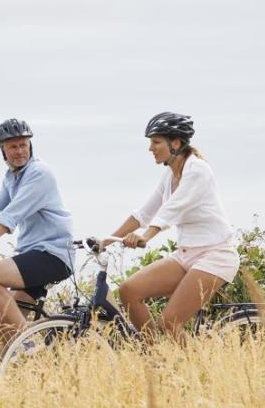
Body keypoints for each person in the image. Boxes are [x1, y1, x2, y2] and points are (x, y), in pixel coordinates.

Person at [100, 112, 239, 339]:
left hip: (215, 256)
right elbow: (144, 212)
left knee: (170, 321)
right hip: (186, 255)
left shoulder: (198, 170)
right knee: (128, 291)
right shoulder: (170, 173)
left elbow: (172, 208)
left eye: (156, 142)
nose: (150, 148)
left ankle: (195, 372)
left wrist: (146, 236)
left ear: (175, 143)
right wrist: (106, 241)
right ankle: (157, 358)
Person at [0, 118, 75, 343]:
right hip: (35, 255)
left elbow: (12, 214)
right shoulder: (12, 177)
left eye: (23, 145)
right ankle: (29, 369)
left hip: (52, 255)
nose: (19, 151)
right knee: (5, 324)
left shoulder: (39, 173)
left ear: (30, 146)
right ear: (2, 150)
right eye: (13, 146)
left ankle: (30, 346)